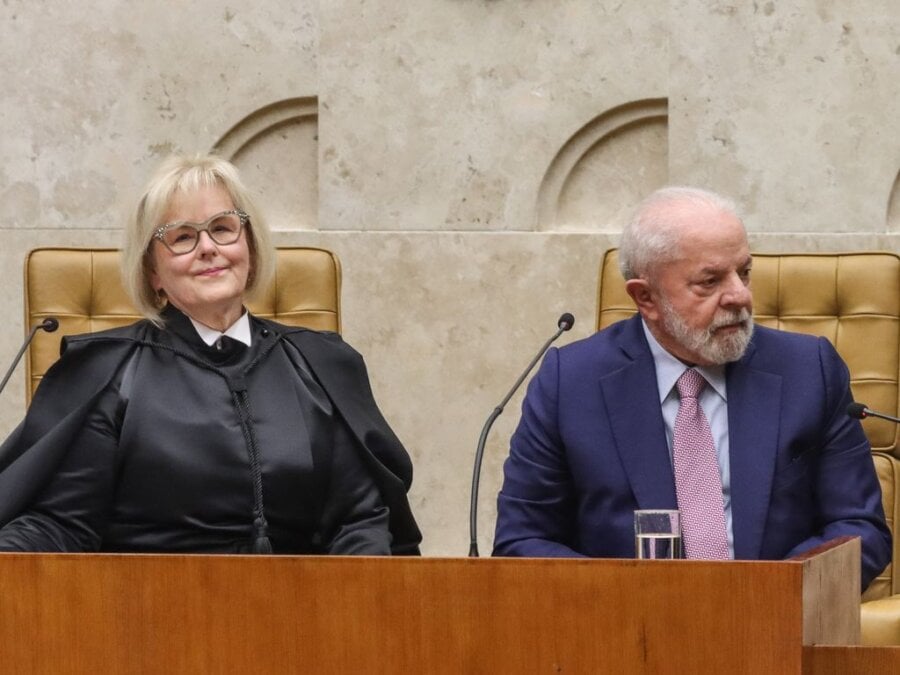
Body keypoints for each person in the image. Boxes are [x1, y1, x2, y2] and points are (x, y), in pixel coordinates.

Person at [0, 154, 421, 555]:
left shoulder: (318, 365)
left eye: (222, 228)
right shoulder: (112, 372)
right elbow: (62, 525)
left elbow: (359, 521)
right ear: (152, 272)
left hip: (299, 616)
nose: (207, 247)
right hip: (150, 616)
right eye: (182, 237)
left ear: (250, 249)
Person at [493, 186, 891, 588]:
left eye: (744, 272)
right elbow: (523, 540)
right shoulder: (571, 383)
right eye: (710, 281)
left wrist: (777, 593)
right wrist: (633, 603)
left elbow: (860, 528)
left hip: (778, 630)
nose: (740, 295)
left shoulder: (808, 370)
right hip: (625, 634)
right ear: (646, 297)